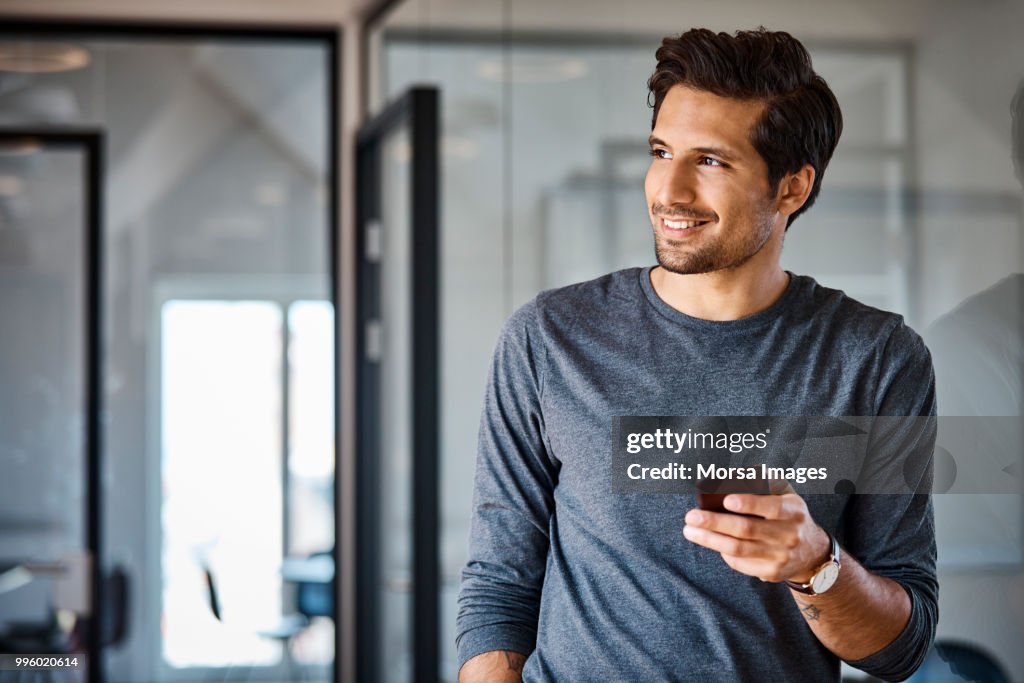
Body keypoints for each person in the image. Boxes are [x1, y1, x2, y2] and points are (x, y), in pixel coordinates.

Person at [456, 28, 937, 682]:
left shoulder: (876, 358)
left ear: (791, 189)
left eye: (710, 160)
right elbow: (499, 585)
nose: (670, 191)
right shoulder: (549, 338)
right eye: (661, 152)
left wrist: (814, 564)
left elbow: (899, 648)